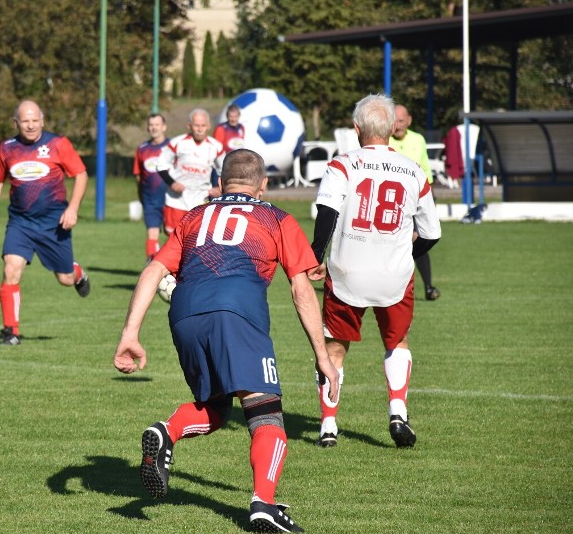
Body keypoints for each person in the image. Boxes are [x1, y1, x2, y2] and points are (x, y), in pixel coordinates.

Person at [113, 149, 340, 533]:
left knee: (217, 408)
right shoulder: (275, 217)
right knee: (265, 412)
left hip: (184, 314)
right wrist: (323, 356)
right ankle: (264, 505)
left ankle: (166, 432)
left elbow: (154, 268)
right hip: (236, 314)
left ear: (220, 182)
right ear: (263, 185)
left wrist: (129, 334)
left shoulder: (193, 216)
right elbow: (301, 290)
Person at [308, 94, 441, 449]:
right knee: (396, 341)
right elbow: (432, 233)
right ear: (390, 130)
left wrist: (314, 257)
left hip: (347, 271)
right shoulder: (414, 170)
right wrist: (405, 254)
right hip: (393, 276)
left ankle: (328, 427)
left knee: (335, 347)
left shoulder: (341, 166)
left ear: (356, 129)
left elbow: (327, 214)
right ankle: (398, 412)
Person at [0, 100, 90, 346]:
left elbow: (80, 174)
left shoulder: (58, 144)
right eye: (25, 121)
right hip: (20, 223)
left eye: (35, 120)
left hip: (54, 224)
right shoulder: (6, 148)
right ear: (15, 123)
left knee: (65, 278)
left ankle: (78, 273)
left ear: (43, 120)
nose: (30, 125)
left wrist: (73, 208)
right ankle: (11, 333)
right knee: (10, 270)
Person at [389, 104, 441, 301]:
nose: (397, 125)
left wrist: (432, 201)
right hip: (393, 202)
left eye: (401, 121)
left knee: (419, 240)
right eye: (394, 121)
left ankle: (428, 286)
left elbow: (426, 172)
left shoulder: (418, 140)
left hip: (416, 201)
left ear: (409, 120)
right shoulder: (384, 141)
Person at [155, 108, 225, 235]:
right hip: (176, 200)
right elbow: (161, 165)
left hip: (200, 200)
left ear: (208, 126)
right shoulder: (178, 143)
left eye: (203, 125)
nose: (199, 129)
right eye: (196, 125)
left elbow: (225, 171)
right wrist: (172, 183)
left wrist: (220, 189)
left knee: (196, 242)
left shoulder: (216, 147)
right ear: (189, 126)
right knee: (174, 241)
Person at [133, 113, 170, 259]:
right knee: (152, 234)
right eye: (151, 125)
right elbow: (138, 175)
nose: (154, 128)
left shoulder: (172, 147)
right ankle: (153, 269)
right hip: (150, 201)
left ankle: (173, 271)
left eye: (157, 124)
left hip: (171, 200)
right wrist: (143, 195)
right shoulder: (142, 149)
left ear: (164, 127)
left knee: (173, 236)